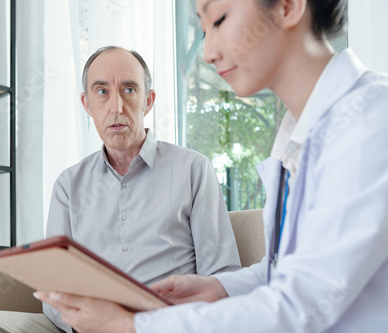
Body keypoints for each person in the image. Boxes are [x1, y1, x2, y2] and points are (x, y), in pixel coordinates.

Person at [37, 0, 388, 332]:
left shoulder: (369, 122)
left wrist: (132, 326)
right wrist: (218, 288)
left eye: (219, 19)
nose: (207, 53)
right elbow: (287, 273)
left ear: (288, 5)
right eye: (204, 29)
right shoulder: (300, 135)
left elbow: (303, 306)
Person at [0, 46, 240, 333]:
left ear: (148, 101)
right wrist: (86, 322)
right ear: (87, 104)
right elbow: (53, 287)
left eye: (129, 89)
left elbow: (223, 277)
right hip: (78, 327)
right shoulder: (68, 184)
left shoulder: (192, 169)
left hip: (159, 325)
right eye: (102, 91)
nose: (116, 106)